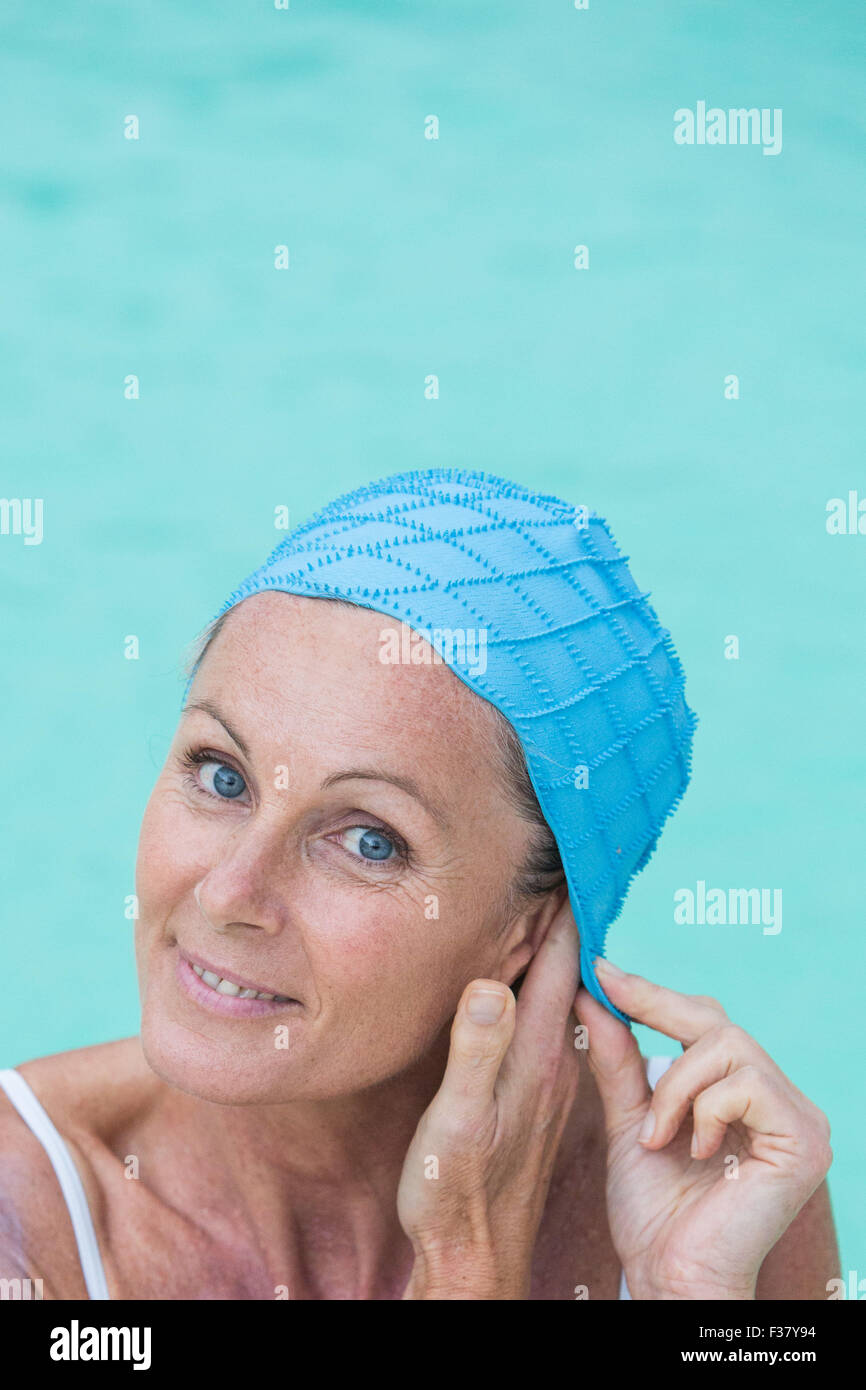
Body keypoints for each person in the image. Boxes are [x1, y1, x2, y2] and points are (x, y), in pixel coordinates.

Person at [0, 470, 838, 1299]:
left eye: (369, 841)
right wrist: (466, 1274)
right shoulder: (20, 1207)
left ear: (533, 930)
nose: (226, 895)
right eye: (221, 776)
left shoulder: (715, 1197)